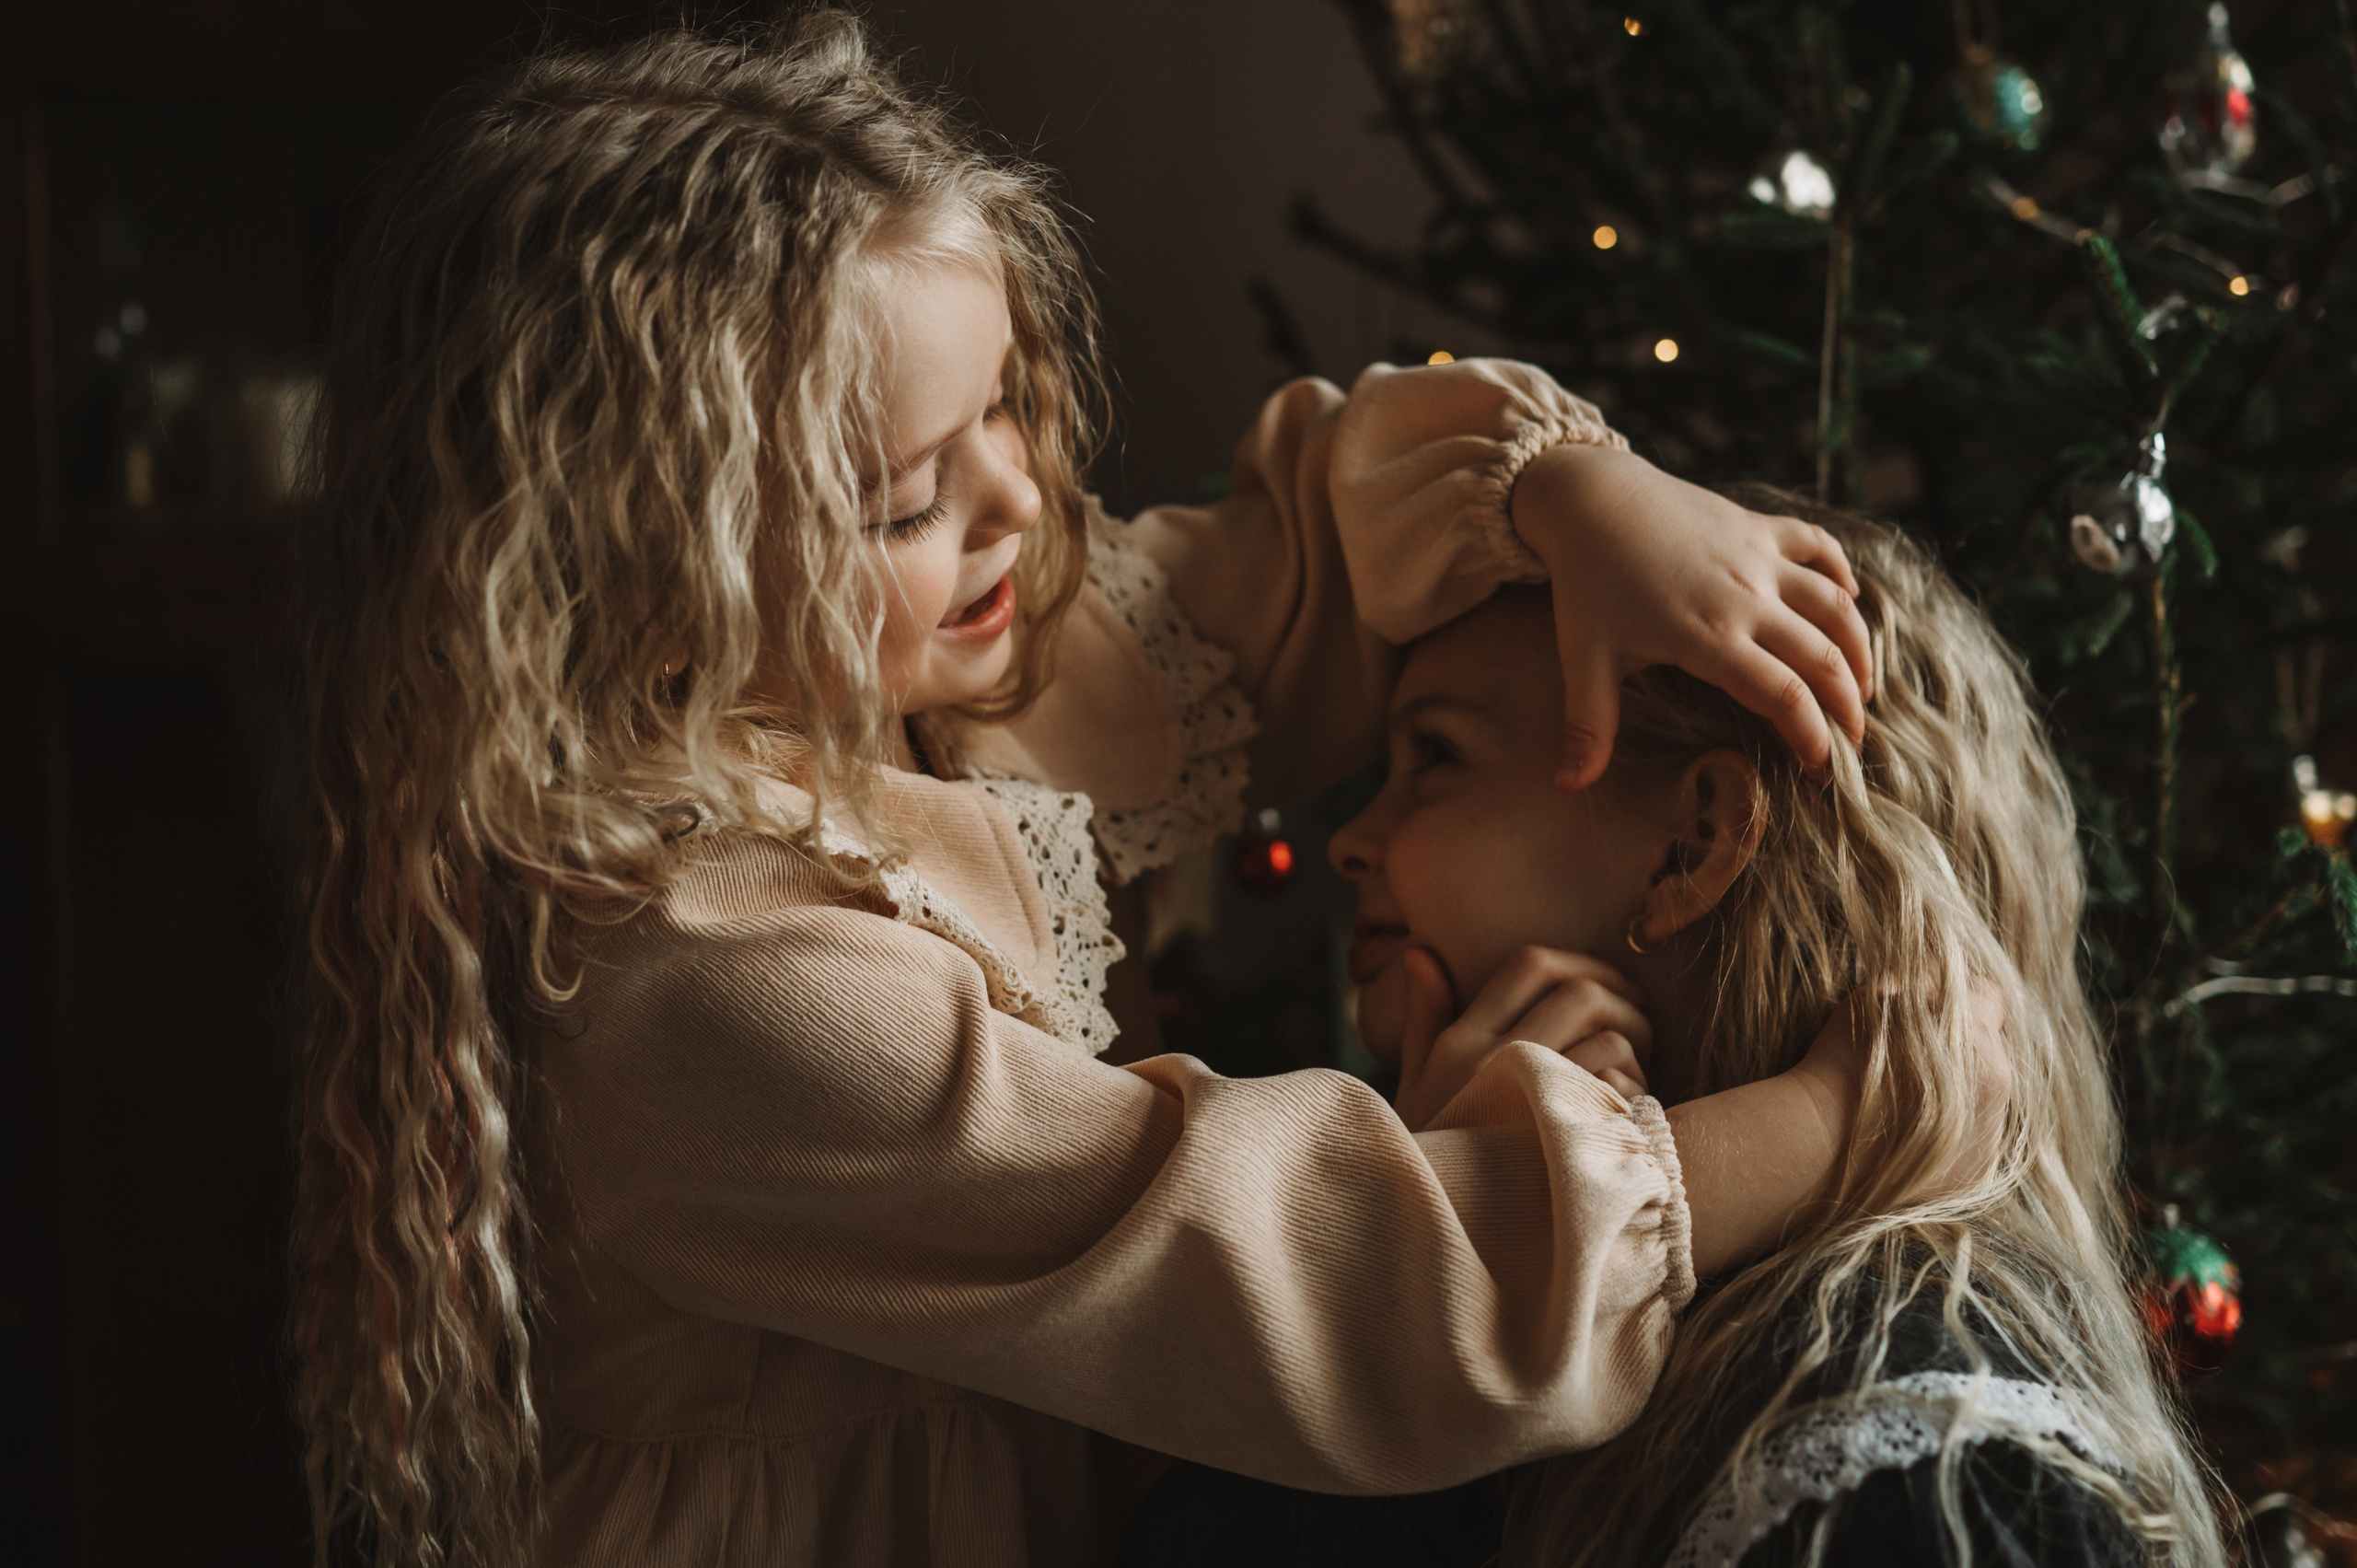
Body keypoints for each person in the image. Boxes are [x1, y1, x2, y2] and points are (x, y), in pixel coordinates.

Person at [288, 15, 1886, 1567]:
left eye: (1003, 406)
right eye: (904, 495)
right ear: (648, 562)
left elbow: (1288, 572)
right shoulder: (695, 966)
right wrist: (1832, 1116)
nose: (1015, 494)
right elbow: (1289, 1276)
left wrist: (1573, 491)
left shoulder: (909, 664)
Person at [1120, 501, 2222, 1567]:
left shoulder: (1914, 1459)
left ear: (1695, 839)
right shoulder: (1680, 1353)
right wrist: (1455, 1236)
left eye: (1437, 755)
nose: (1352, 841)